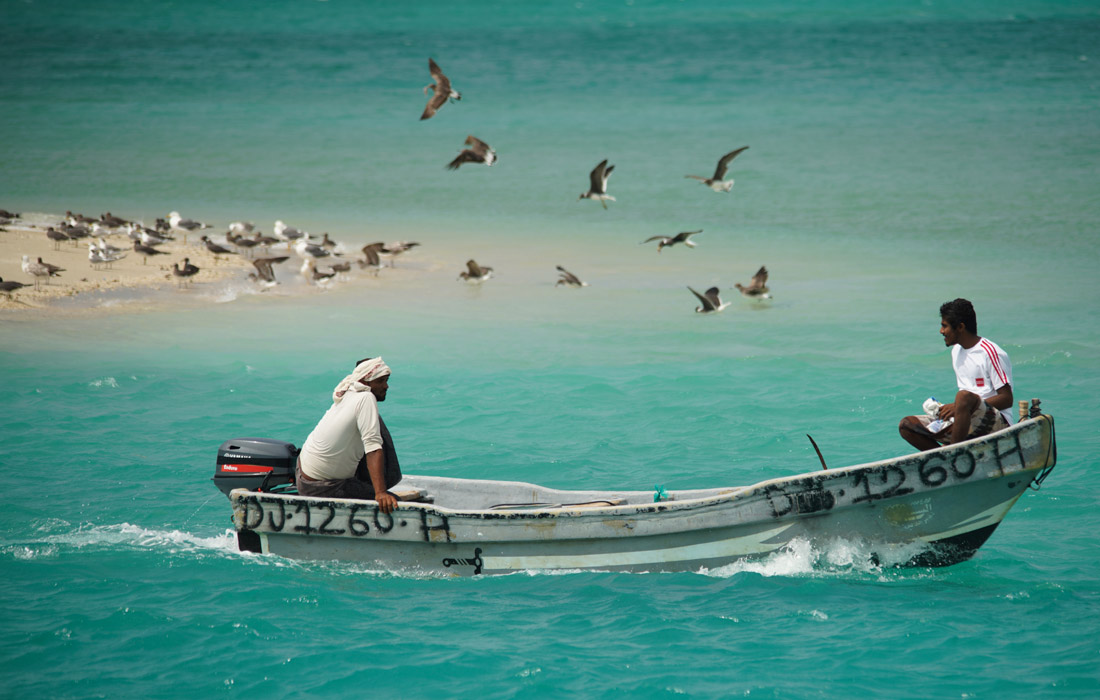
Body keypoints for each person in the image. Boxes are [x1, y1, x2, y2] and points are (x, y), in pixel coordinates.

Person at [899, 298, 1014, 451]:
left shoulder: (990, 352)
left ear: (960, 327)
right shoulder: (956, 351)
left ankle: (954, 455)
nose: (941, 331)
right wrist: (954, 410)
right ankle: (941, 459)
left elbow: (1007, 399)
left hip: (997, 424)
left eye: (944, 326)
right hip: (965, 419)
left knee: (962, 397)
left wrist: (960, 406)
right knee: (907, 425)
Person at [297, 357, 402, 512]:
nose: (386, 386)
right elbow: (373, 448)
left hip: (302, 472)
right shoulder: (366, 397)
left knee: (373, 422)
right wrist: (380, 493)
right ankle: (378, 487)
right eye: (381, 381)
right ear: (366, 383)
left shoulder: (349, 391)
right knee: (396, 504)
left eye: (386, 380)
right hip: (323, 487)